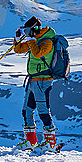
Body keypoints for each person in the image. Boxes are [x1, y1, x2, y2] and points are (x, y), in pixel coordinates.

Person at [13, 16, 58, 149]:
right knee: (26, 111)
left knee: (43, 111)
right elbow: (19, 49)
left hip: (43, 81)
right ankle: (31, 142)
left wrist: (31, 39)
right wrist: (17, 39)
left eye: (28, 30)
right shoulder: (35, 40)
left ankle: (50, 143)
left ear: (34, 29)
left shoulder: (47, 42)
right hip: (32, 80)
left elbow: (38, 54)